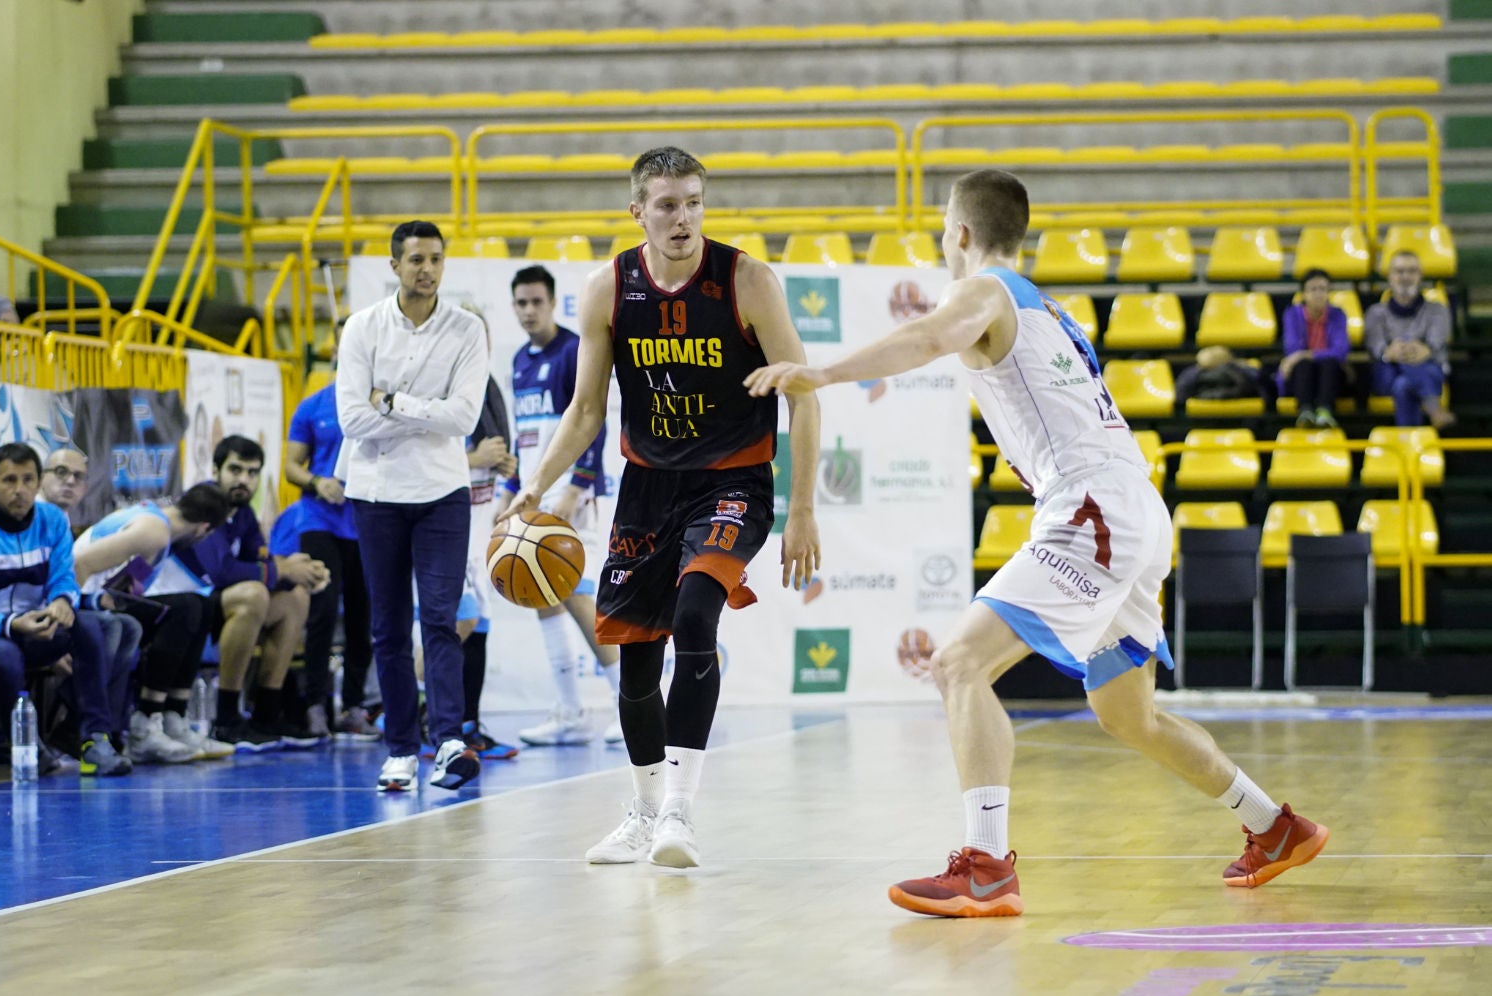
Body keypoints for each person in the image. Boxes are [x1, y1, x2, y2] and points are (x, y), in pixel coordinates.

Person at [745, 168, 1329, 917]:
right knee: (1128, 713)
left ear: (959, 233)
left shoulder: (982, 290)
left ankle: (986, 865)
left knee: (959, 663)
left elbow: (929, 337)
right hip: (1134, 506)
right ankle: (1273, 825)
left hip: (1091, 507)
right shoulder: (1049, 307)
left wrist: (821, 371)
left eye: (942, 229)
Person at [501, 147, 822, 868]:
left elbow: (802, 394)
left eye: (694, 202)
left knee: (695, 614)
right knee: (635, 661)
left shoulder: (747, 281)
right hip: (647, 487)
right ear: (638, 210)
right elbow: (586, 410)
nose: (684, 218)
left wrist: (802, 508)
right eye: (668, 204)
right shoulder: (608, 287)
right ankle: (643, 813)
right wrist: (535, 485)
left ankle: (680, 810)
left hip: (733, 482)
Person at [336, 219, 489, 793]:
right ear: (395, 265)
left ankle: (449, 740)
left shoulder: (467, 329)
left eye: (435, 258)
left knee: (442, 618)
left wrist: (394, 403)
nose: (427, 268)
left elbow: (464, 418)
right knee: (388, 627)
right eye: (416, 259)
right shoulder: (362, 327)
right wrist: (429, 412)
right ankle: (400, 749)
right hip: (375, 493)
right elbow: (352, 419)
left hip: (443, 494)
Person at [498, 264, 623, 747]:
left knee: (576, 594)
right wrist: (511, 490)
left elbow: (591, 420)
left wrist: (579, 484)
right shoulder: (518, 361)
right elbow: (523, 436)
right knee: (539, 595)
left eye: (537, 302)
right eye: (521, 303)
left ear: (552, 303)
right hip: (533, 492)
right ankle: (569, 711)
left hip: (570, 491)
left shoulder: (573, 350)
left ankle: (627, 704)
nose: (529, 311)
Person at [148, 435, 328, 753]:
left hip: (212, 604)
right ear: (216, 469)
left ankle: (266, 715)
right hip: (178, 604)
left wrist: (301, 574)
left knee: (296, 597)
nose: (244, 479)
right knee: (253, 594)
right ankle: (228, 719)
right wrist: (282, 569)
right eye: (235, 469)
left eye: (252, 472)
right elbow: (221, 571)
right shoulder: (203, 502)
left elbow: (258, 563)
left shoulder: (242, 513)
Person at [0, 442, 130, 776]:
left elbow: (64, 576)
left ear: (38, 483)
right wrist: (10, 623)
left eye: (28, 480)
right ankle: (26, 745)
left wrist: (61, 602)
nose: (19, 490)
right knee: (4, 655)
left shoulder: (53, 520)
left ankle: (93, 740)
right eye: (9, 480)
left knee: (88, 625)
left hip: (36, 629)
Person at [75, 483, 232, 764]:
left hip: (103, 601)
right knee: (184, 609)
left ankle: (173, 716)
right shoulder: (154, 532)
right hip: (80, 603)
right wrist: (68, 618)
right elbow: (79, 565)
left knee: (203, 604)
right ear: (203, 529)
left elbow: (122, 590)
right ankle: (145, 723)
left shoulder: (160, 530)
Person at [284, 380, 378, 741]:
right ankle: (315, 706)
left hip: (366, 520)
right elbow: (292, 466)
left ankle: (354, 707)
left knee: (362, 615)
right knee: (322, 610)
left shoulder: (380, 399)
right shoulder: (313, 406)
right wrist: (318, 483)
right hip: (319, 520)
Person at [38, 446, 144, 765]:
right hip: (26, 615)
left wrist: (96, 599)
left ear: (86, 487)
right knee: (104, 626)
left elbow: (59, 583)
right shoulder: (33, 518)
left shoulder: (63, 520)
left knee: (128, 626)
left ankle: (90, 728)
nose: (69, 481)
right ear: (40, 479)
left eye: (78, 477)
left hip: (57, 606)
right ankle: (83, 728)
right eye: (60, 473)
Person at [457, 304, 520, 761]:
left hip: (479, 520)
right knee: (455, 624)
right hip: (442, 521)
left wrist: (504, 465)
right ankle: (407, 710)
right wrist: (474, 460)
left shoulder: (488, 387)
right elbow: (414, 464)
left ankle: (468, 723)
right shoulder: (440, 388)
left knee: (477, 625)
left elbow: (498, 454)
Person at [1365, 250, 1455, 430]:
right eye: (1399, 271)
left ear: (1420, 276)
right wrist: (1390, 353)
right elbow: (1377, 349)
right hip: (1387, 371)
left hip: (1430, 368)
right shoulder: (1375, 312)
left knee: (1403, 385)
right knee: (1399, 377)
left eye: (1412, 271)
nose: (1405, 276)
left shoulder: (1438, 310)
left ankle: (1408, 445)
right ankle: (1434, 408)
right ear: (1390, 276)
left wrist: (1417, 350)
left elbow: (1434, 345)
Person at [1278, 269, 1351, 428]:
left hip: (1331, 375)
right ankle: (1305, 411)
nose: (1318, 294)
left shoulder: (1338, 315)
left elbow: (1340, 351)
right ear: (1303, 293)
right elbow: (1292, 348)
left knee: (1329, 363)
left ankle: (1325, 411)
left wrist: (1307, 354)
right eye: (1313, 289)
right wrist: (1303, 357)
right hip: (1301, 374)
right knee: (1304, 366)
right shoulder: (1291, 314)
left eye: (1323, 289)